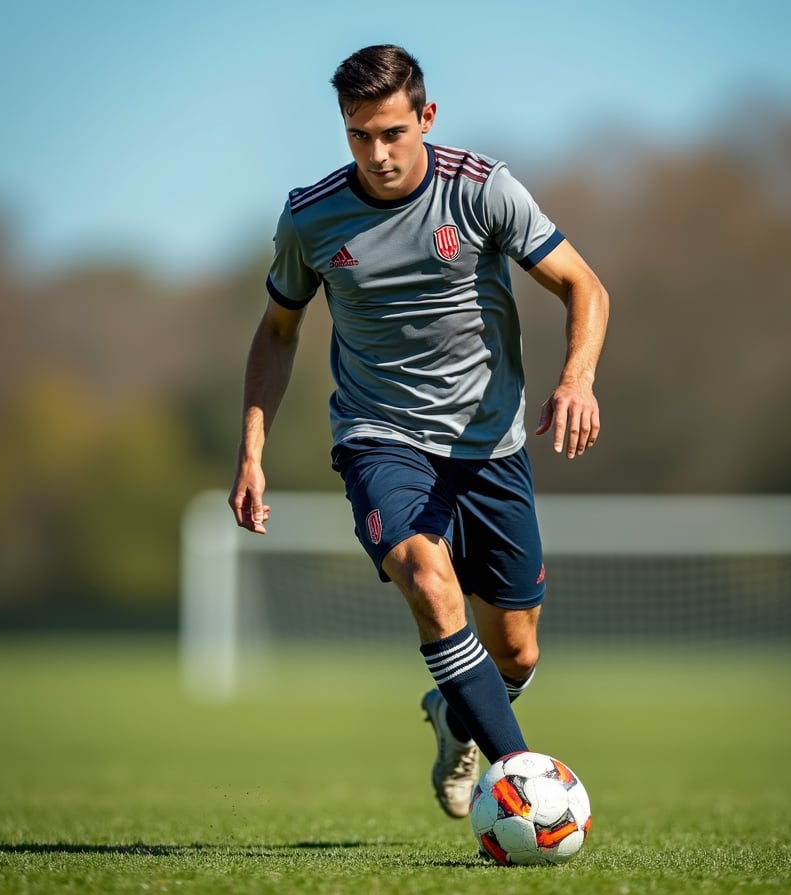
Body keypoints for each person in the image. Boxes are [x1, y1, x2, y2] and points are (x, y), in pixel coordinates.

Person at [229, 44, 608, 820]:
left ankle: (455, 714)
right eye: (359, 135)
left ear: (426, 118)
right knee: (430, 586)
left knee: (519, 649)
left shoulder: (482, 191)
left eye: (393, 133)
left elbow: (583, 284)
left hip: (492, 447)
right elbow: (276, 332)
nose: (377, 154)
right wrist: (253, 452)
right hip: (382, 436)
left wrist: (576, 380)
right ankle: (526, 784)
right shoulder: (311, 217)